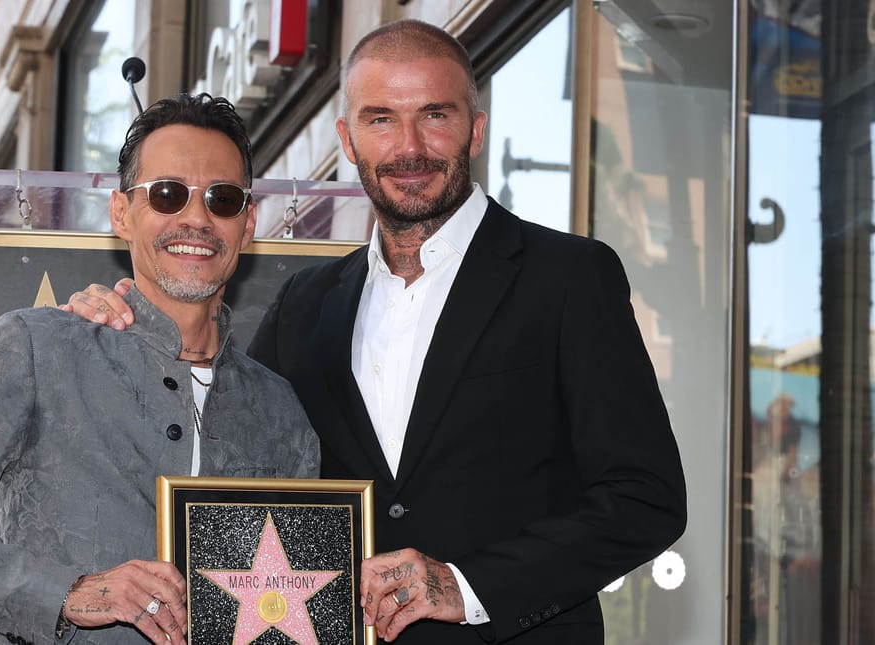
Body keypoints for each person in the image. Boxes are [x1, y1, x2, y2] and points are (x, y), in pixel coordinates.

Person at [64, 19, 686, 645]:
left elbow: (645, 497)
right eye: (381, 119)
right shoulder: (305, 304)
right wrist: (119, 330)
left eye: (435, 115)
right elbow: (225, 450)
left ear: (475, 130)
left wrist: (469, 587)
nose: (409, 147)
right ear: (349, 139)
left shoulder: (568, 277)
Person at [0, 93, 320, 645]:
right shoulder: (40, 348)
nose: (197, 218)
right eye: (167, 194)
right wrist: (68, 594)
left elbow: (295, 607)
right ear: (121, 214)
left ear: (247, 223)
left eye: (222, 199)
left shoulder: (281, 412)